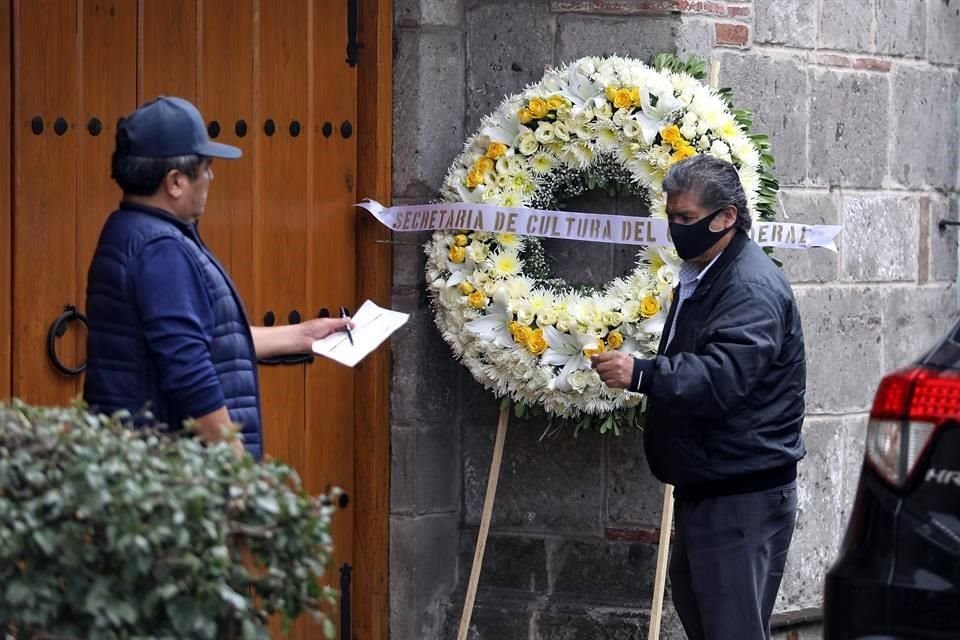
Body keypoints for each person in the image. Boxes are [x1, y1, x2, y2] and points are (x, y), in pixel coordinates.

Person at [592, 155, 806, 640]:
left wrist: (642, 373)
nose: (676, 229)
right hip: (711, 487)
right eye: (670, 217)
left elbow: (724, 375)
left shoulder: (749, 286)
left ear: (726, 216)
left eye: (686, 219)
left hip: (741, 497)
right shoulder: (708, 272)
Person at [84, 96, 351, 459]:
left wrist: (303, 335)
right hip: (175, 477)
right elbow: (189, 368)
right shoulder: (160, 249)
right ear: (175, 182)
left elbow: (202, 339)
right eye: (206, 167)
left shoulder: (130, 230)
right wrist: (237, 469)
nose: (211, 178)